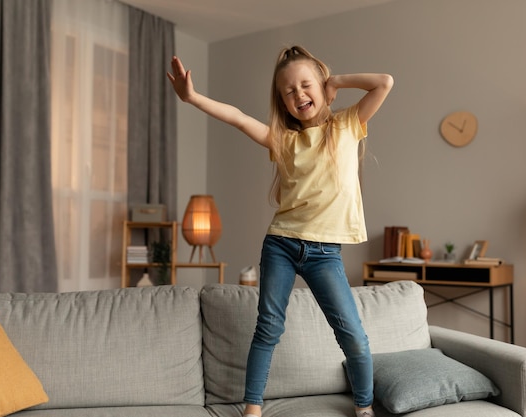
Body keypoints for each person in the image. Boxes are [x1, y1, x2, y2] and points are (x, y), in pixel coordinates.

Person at [168, 45, 393, 417]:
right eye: (288, 91)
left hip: (325, 254)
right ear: (283, 102)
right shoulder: (282, 140)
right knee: (268, 327)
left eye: (306, 85)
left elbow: (384, 83)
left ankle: (364, 408)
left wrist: (335, 80)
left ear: (321, 88)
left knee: (353, 335)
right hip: (282, 245)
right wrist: (192, 97)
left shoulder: (346, 125)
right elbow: (238, 118)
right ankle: (252, 409)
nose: (299, 94)